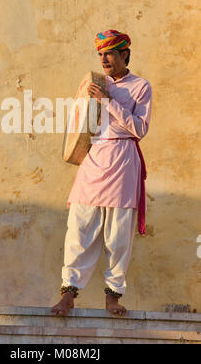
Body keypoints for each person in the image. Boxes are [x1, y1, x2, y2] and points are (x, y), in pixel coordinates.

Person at [51, 29, 152, 317]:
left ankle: (113, 297)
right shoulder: (93, 82)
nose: (104, 59)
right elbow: (78, 124)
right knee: (79, 227)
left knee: (118, 234)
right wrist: (85, 100)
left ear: (124, 54)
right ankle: (68, 293)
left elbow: (140, 128)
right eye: (100, 54)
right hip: (94, 158)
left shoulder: (141, 87)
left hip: (123, 160)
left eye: (109, 53)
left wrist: (108, 101)